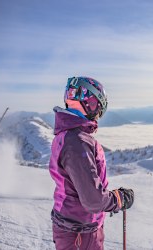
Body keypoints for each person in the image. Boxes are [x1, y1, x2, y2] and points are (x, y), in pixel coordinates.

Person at [49, 76, 134, 250]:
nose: (98, 114)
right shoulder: (77, 141)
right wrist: (119, 199)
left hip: (76, 227)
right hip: (79, 232)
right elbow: (94, 200)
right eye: (98, 106)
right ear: (89, 102)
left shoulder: (67, 135)